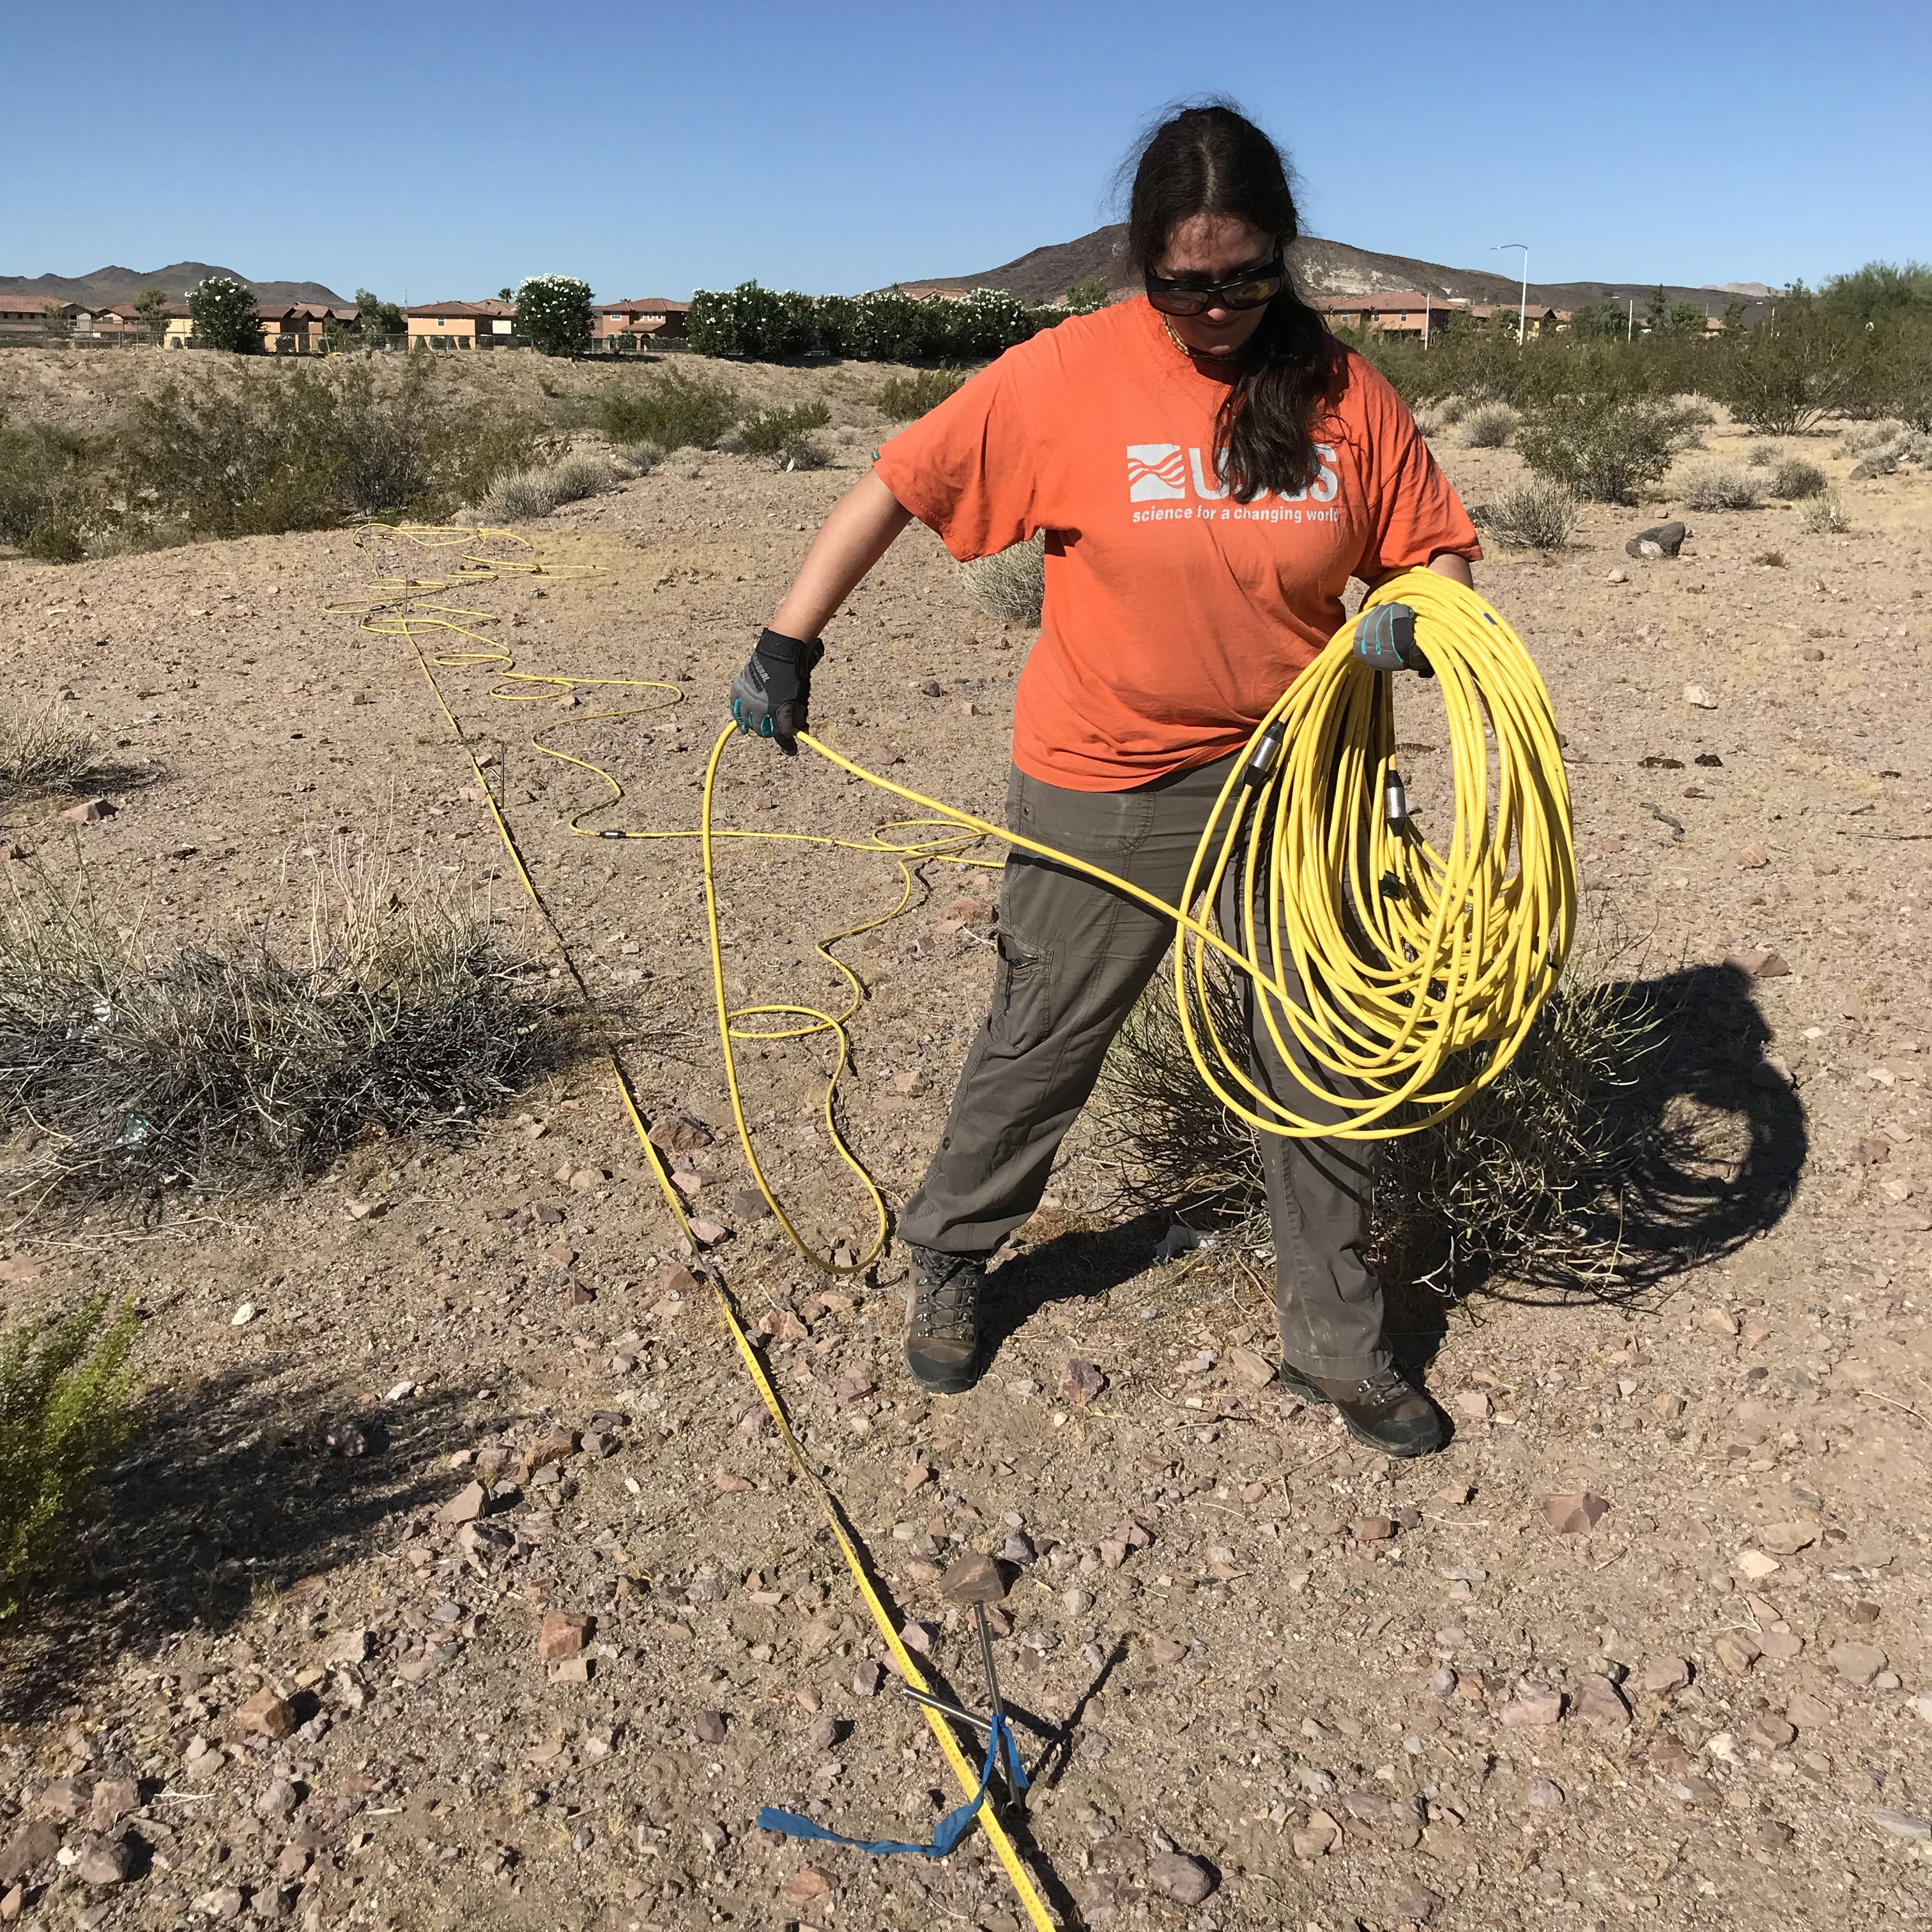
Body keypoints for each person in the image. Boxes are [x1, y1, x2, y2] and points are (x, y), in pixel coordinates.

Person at [730, 102, 1482, 1458]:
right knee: (1043, 1037)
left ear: (1285, 255)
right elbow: (897, 482)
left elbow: (1434, 550)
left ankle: (1339, 1346)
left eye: (1245, 278)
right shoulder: (1065, 374)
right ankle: (954, 1255)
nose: (1215, 309)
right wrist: (789, 637)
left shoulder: (1345, 391)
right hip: (1108, 778)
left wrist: (1420, 611)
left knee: (1323, 1059)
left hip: (1293, 783)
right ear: (1141, 263)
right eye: (1184, 283)